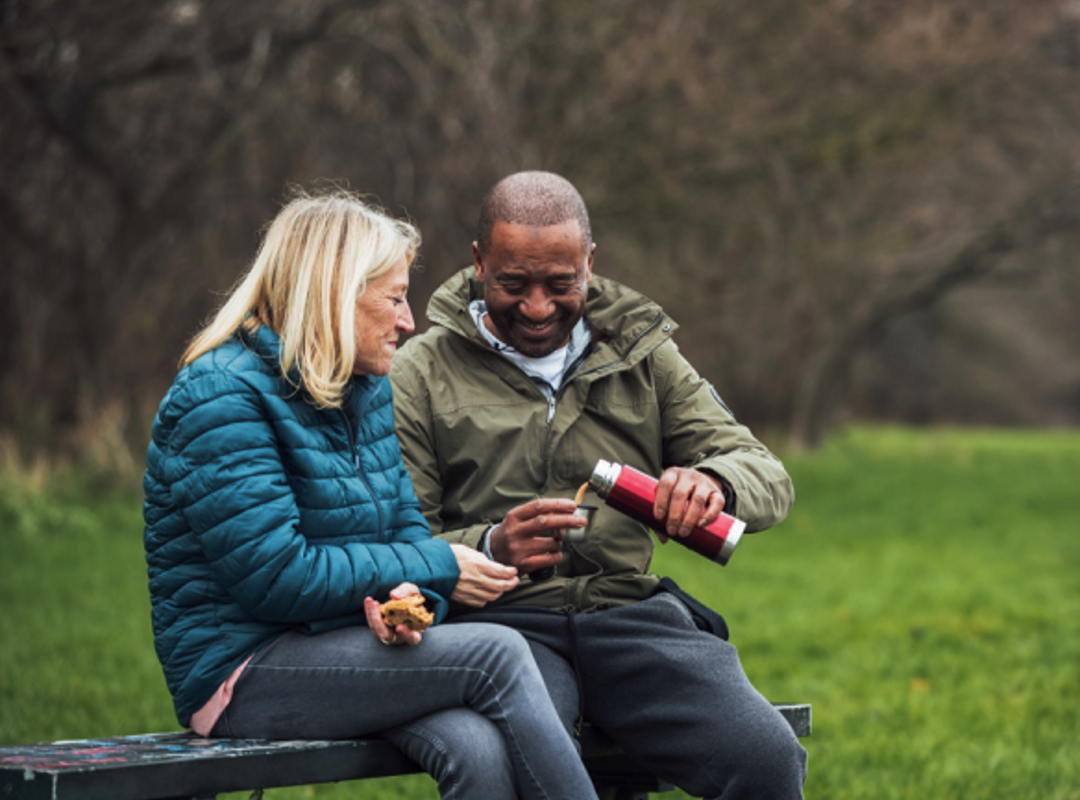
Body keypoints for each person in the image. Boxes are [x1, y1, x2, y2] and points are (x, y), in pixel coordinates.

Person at [142, 190, 602, 800]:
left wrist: (410, 606)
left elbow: (404, 534)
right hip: (242, 672)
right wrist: (437, 565)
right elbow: (277, 574)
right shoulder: (220, 397)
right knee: (499, 651)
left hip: (340, 647)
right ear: (334, 293)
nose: (408, 321)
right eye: (394, 298)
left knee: (477, 747)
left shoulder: (364, 390)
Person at [390, 171, 808, 799]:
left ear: (590, 262)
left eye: (560, 284)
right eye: (512, 284)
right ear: (479, 263)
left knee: (766, 756)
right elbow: (398, 536)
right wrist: (492, 545)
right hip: (503, 628)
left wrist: (714, 481)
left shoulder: (643, 354)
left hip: (632, 619)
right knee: (524, 768)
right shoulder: (419, 372)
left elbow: (766, 473)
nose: (536, 307)